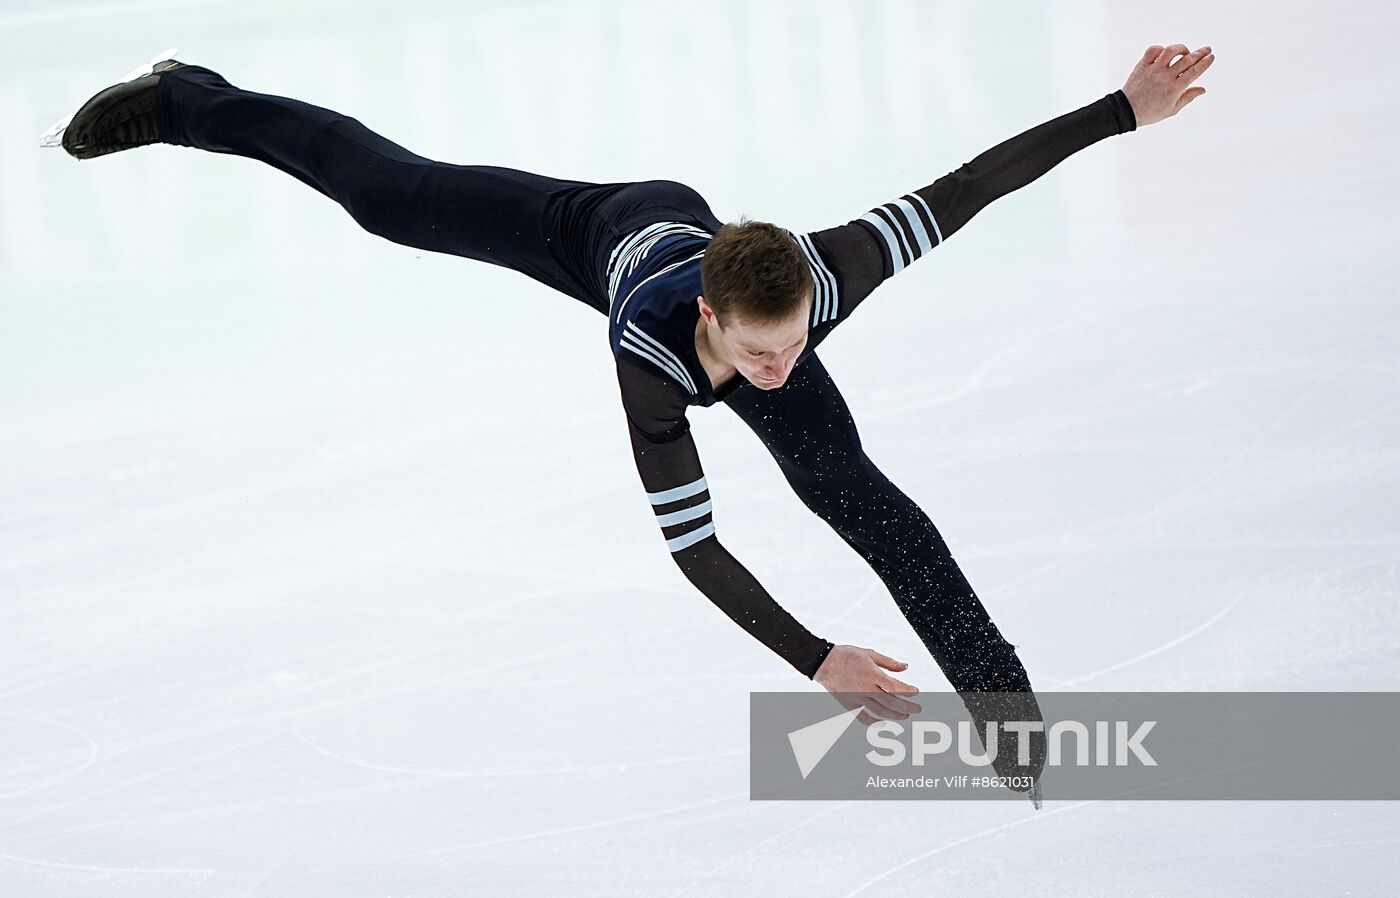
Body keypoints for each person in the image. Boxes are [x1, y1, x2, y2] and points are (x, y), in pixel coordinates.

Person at [49, 42, 1213, 797]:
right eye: (760, 353)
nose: (781, 365)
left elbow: (969, 184)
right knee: (387, 200)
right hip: (598, 232)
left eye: (796, 340)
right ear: (713, 318)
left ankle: (1004, 706)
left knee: (856, 495)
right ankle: (191, 98)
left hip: (708, 240)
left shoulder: (821, 278)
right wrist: (813, 657)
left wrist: (1122, 108)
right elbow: (692, 543)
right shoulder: (651, 356)